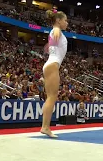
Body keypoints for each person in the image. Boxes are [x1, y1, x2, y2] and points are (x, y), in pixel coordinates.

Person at [40, 9, 68, 138]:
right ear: (58, 20)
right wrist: (56, 29)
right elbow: (55, 31)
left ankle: (45, 126)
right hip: (52, 65)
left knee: (51, 97)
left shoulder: (55, 32)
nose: (67, 23)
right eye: (65, 20)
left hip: (51, 64)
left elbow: (51, 45)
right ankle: (45, 127)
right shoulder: (56, 30)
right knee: (52, 97)